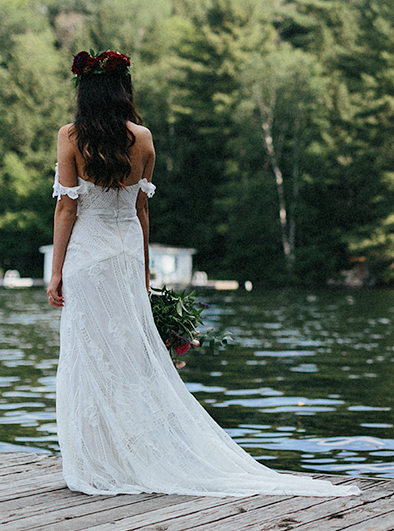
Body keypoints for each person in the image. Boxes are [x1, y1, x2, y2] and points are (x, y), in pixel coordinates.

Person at [46, 49, 361, 498]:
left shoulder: (71, 136)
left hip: (87, 259)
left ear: (84, 93)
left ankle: (98, 461)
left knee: (89, 355)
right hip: (125, 257)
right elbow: (140, 210)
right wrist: (144, 269)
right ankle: (130, 457)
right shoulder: (144, 138)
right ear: (123, 92)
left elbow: (66, 207)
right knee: (131, 361)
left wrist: (55, 272)